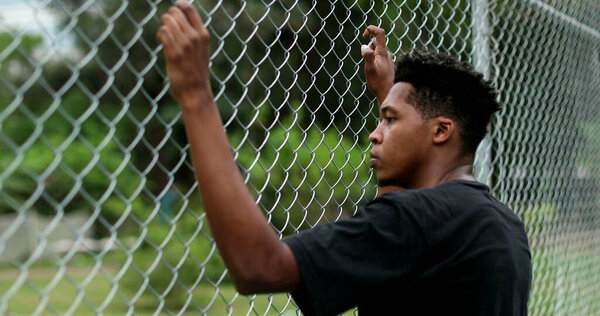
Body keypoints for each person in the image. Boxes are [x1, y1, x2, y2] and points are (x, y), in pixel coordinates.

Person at [156, 1, 532, 315]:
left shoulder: (416, 219)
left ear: (440, 131)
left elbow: (258, 266)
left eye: (390, 120)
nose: (374, 131)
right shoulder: (503, 225)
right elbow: (400, 245)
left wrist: (196, 96)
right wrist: (388, 95)